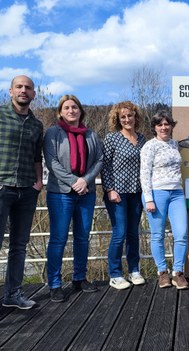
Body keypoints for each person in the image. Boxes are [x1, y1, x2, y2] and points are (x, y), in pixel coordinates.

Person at [43, 95, 103, 302]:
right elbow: (52, 162)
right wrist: (74, 182)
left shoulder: (91, 134)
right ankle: (55, 283)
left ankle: (79, 277)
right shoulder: (53, 133)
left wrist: (85, 181)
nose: (71, 111)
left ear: (80, 110)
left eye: (74, 107)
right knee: (58, 239)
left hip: (86, 193)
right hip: (60, 193)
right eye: (66, 107)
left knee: (82, 237)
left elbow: (99, 160)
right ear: (60, 111)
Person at [0, 75, 43, 309]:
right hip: (2, 187)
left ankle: (12, 295)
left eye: (28, 88)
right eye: (19, 87)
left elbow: (38, 157)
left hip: (27, 190)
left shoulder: (37, 125)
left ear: (33, 94)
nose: (23, 91)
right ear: (10, 91)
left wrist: (38, 182)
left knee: (19, 245)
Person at [140, 110, 189, 290]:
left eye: (167, 124)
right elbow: (144, 174)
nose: (164, 127)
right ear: (154, 127)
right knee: (157, 235)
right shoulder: (149, 146)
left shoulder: (175, 144)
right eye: (160, 124)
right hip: (157, 193)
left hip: (177, 193)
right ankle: (162, 272)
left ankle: (178, 273)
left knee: (181, 233)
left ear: (171, 126)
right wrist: (149, 199)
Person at [102, 102, 146, 290]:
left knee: (133, 233)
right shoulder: (112, 138)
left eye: (130, 116)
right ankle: (115, 274)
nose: (127, 119)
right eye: (123, 117)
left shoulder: (143, 139)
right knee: (119, 234)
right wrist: (109, 189)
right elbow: (104, 166)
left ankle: (134, 270)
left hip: (137, 192)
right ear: (118, 120)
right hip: (117, 194)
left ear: (136, 117)